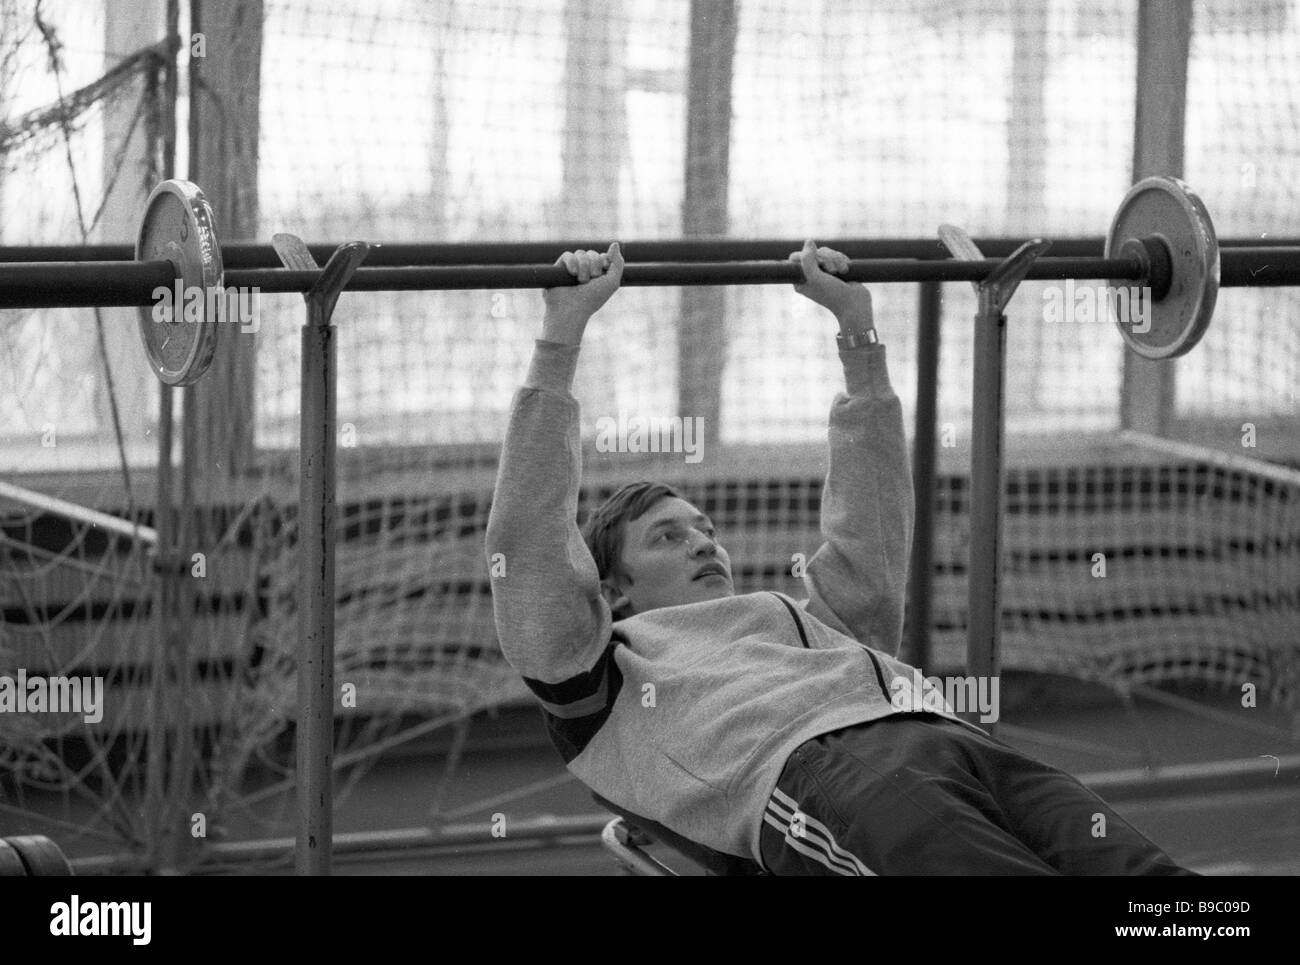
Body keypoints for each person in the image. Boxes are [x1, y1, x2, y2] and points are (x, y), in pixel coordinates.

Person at [485, 240, 1194, 875]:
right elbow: (531, 539)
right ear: (613, 592)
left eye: (704, 529)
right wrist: (561, 335)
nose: (703, 541)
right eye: (668, 536)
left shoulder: (801, 622)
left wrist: (858, 334)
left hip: (953, 739)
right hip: (825, 779)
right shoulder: (600, 674)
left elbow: (872, 530)